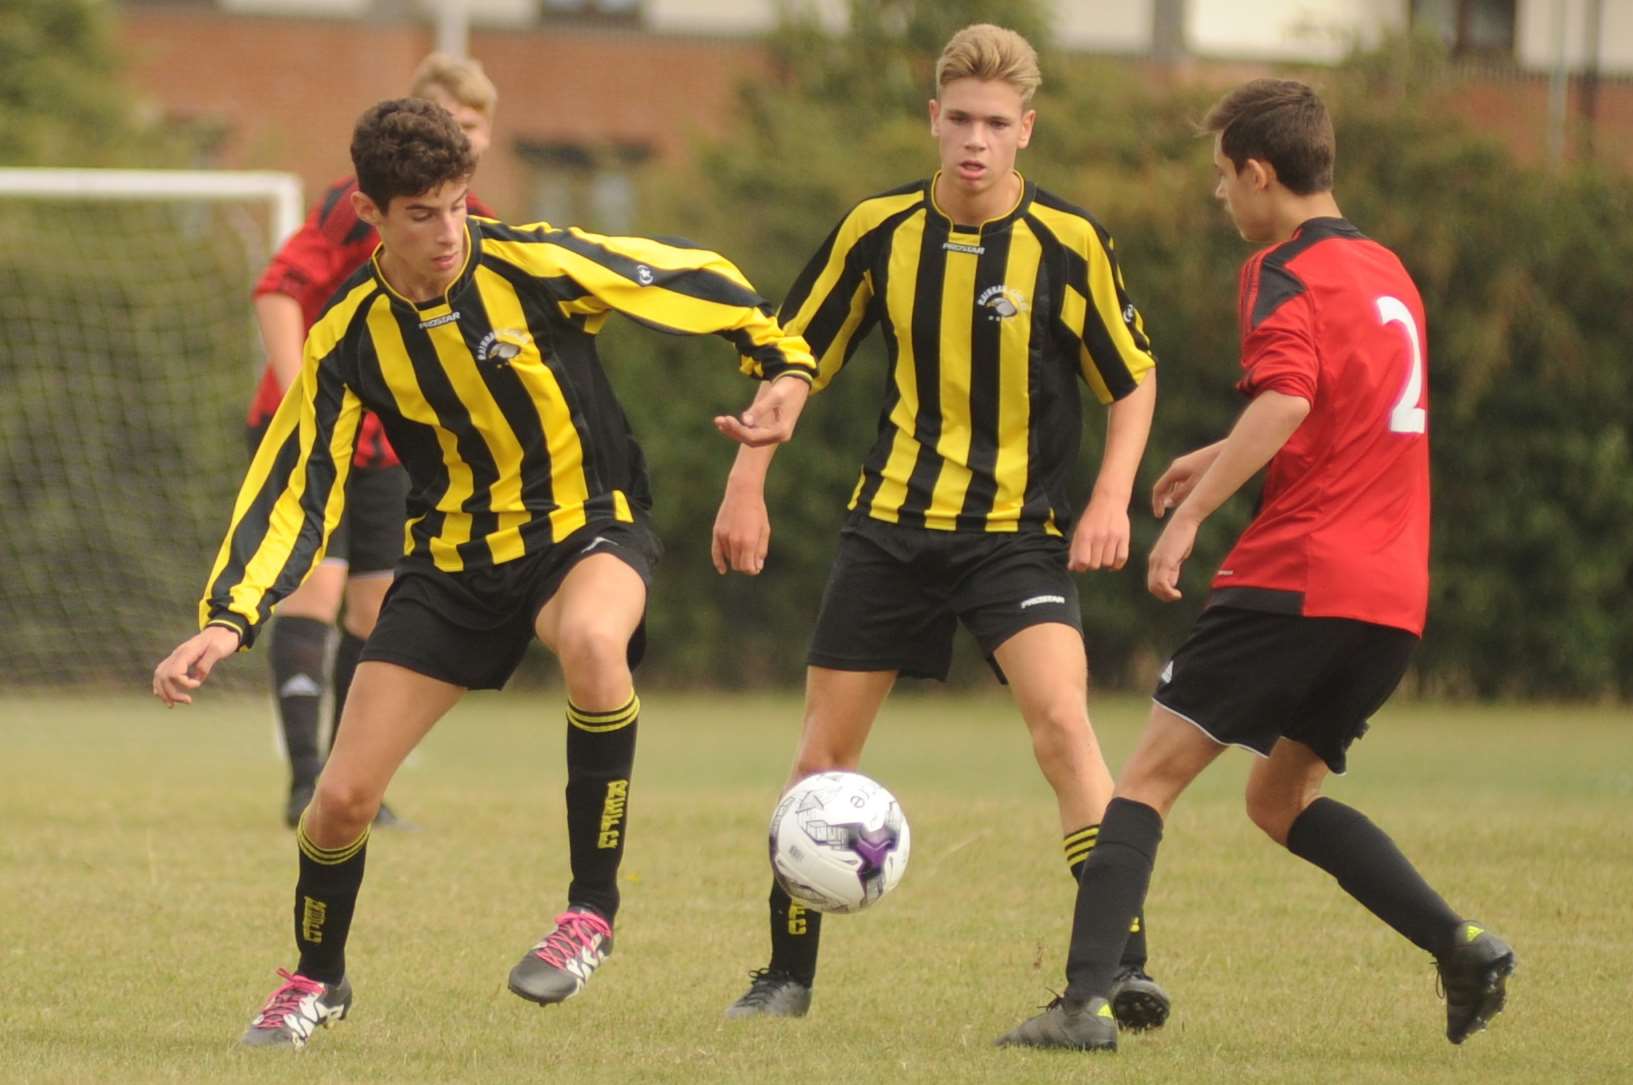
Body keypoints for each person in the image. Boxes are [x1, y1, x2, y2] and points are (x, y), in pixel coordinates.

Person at [152, 97, 815, 1048]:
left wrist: (779, 362)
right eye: (422, 213)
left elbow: (684, 271)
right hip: (455, 562)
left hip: (587, 527)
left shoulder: (531, 262)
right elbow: (293, 483)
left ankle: (591, 911)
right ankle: (315, 978)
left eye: (459, 204)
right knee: (341, 798)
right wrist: (227, 618)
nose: (449, 231)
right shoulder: (347, 336)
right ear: (371, 216)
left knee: (592, 638)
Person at [997, 78, 1516, 1053]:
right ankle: (1462, 943)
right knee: (1278, 798)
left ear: (1258, 171)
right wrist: (1215, 453)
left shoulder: (1280, 269)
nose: (1218, 197)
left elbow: (1284, 399)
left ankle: (1082, 1003)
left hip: (1298, 576)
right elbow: (1334, 409)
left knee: (1141, 780)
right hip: (1391, 594)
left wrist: (1190, 514)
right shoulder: (1387, 269)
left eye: (1221, 178)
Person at [712, 24, 1168, 1029]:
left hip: (1016, 536)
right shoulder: (877, 230)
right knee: (822, 755)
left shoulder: (1066, 242)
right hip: (889, 528)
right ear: (932, 120)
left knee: (1063, 726)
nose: (974, 138)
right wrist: (748, 479)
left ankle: (1120, 963)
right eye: (958, 118)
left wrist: (1108, 498)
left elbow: (1131, 383)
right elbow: (794, 357)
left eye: (995, 123)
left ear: (1025, 133)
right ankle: (785, 973)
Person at [250, 53, 499, 829]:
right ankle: (300, 783)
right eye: (441, 120)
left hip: (390, 446)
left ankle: (346, 781)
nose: (453, 136)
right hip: (318, 432)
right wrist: (307, 406)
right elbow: (279, 290)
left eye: (468, 125)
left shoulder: (475, 225)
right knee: (314, 590)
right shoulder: (357, 208)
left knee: (375, 605)